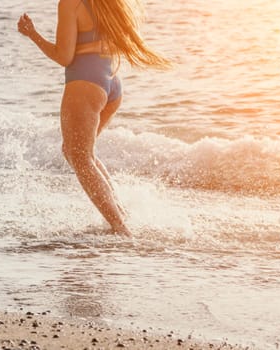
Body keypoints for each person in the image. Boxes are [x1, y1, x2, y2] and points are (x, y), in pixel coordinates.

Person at [17, 0, 171, 237]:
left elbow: (64, 57)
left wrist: (32, 34)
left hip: (85, 84)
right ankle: (119, 213)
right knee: (76, 153)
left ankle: (121, 229)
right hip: (112, 85)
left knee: (80, 156)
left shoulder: (70, 3)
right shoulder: (109, 3)